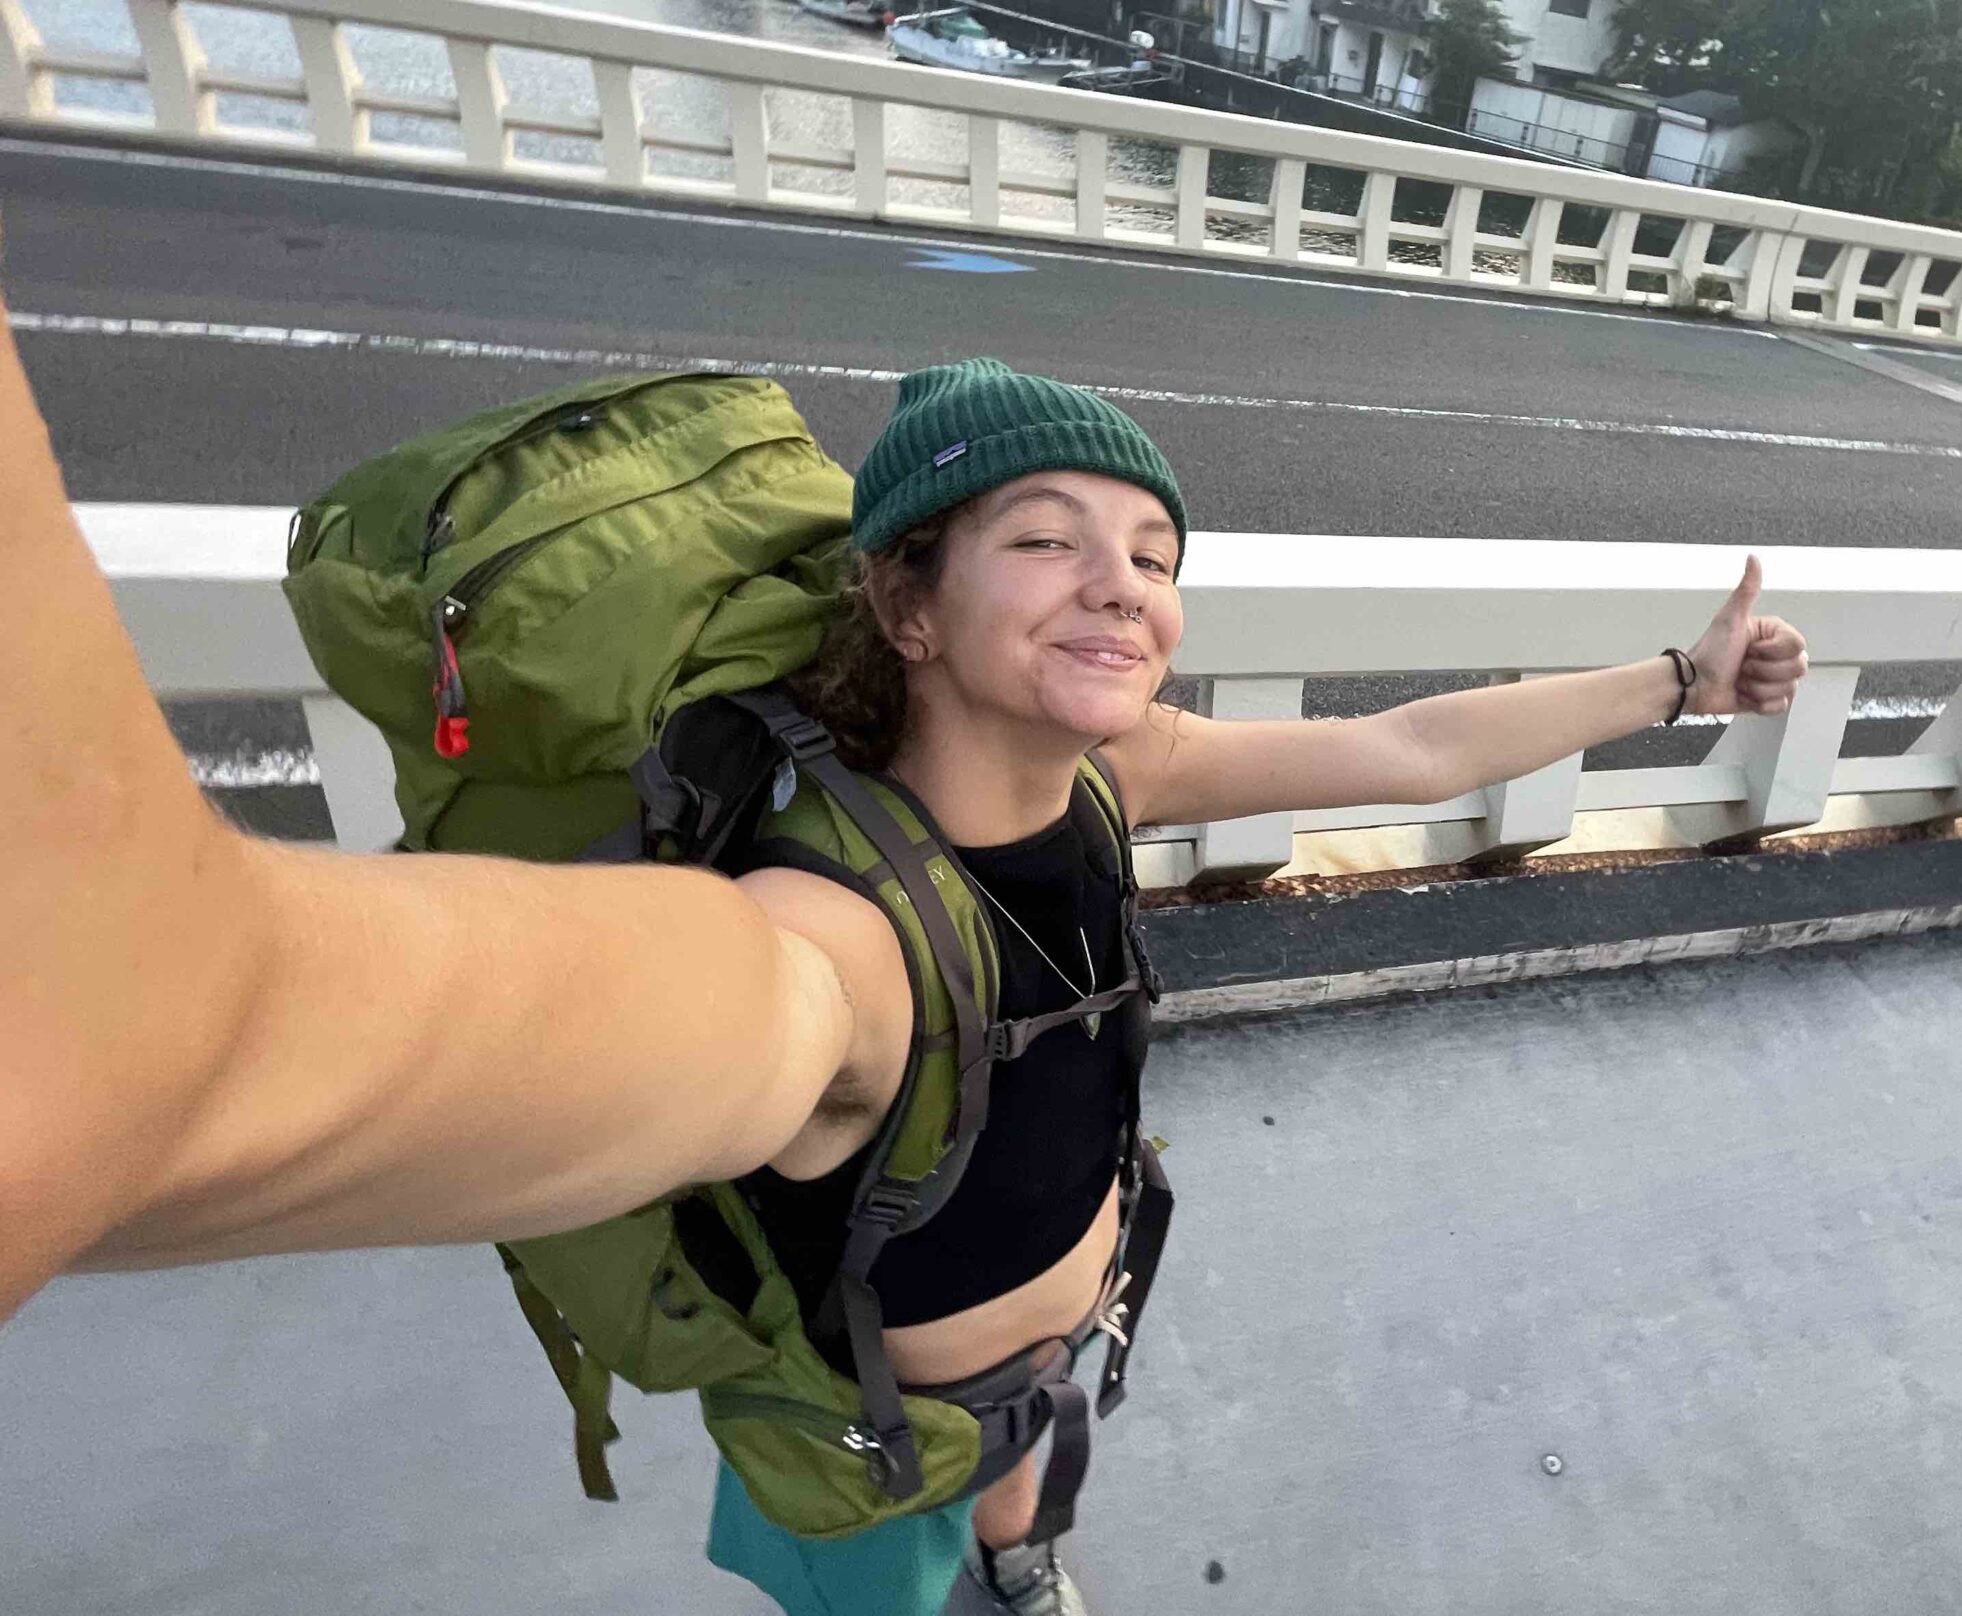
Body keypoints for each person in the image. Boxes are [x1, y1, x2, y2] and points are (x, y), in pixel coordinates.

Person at [1, 301, 1809, 1609]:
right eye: (1047, 538)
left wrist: (1675, 684)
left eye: (1153, 551)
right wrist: (184, 1049)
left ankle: (1025, 1566)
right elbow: (607, 1023)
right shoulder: (839, 942)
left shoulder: (1112, 774)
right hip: (876, 1450)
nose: (1124, 583)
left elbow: (1412, 748)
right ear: (904, 597)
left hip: (1035, 1376)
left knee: (1025, 1529)